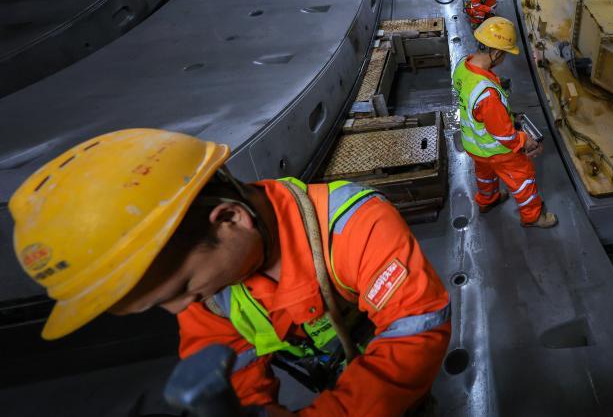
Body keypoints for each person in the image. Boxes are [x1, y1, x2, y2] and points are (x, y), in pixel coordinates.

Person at [9, 128, 451, 416]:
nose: (182, 309)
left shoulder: (352, 225)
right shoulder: (206, 292)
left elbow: (415, 328)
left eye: (183, 288)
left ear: (230, 219)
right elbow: (231, 360)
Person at [452, 17, 558, 228]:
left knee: (485, 175)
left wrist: (508, 116)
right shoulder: (487, 93)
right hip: (496, 151)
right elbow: (505, 135)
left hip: (475, 146)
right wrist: (525, 140)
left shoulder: (462, 66)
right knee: (523, 178)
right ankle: (533, 217)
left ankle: (488, 201)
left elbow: (478, 111)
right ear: (497, 53)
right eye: (505, 54)